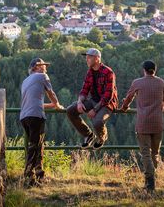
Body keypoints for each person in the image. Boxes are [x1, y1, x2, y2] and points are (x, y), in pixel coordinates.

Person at [120, 60, 164, 193]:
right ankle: (153, 177)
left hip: (143, 123)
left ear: (144, 70)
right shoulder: (161, 82)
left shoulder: (137, 82)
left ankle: (150, 181)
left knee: (145, 153)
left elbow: (128, 98)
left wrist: (124, 108)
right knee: (155, 153)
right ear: (155, 70)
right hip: (158, 123)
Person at [20, 57, 64, 186]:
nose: (45, 67)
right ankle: (28, 177)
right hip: (36, 116)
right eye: (42, 65)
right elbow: (51, 93)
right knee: (34, 146)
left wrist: (50, 105)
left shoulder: (25, 81)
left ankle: (39, 175)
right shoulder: (42, 76)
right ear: (36, 67)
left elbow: (33, 101)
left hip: (25, 116)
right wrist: (57, 104)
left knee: (37, 145)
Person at [67, 48, 118, 150]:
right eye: (86, 57)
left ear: (97, 59)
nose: (87, 60)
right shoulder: (90, 72)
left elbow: (108, 95)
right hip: (94, 100)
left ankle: (101, 138)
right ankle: (88, 134)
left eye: (89, 57)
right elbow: (84, 90)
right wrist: (80, 102)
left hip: (107, 103)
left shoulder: (108, 72)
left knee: (97, 122)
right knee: (71, 110)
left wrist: (95, 110)